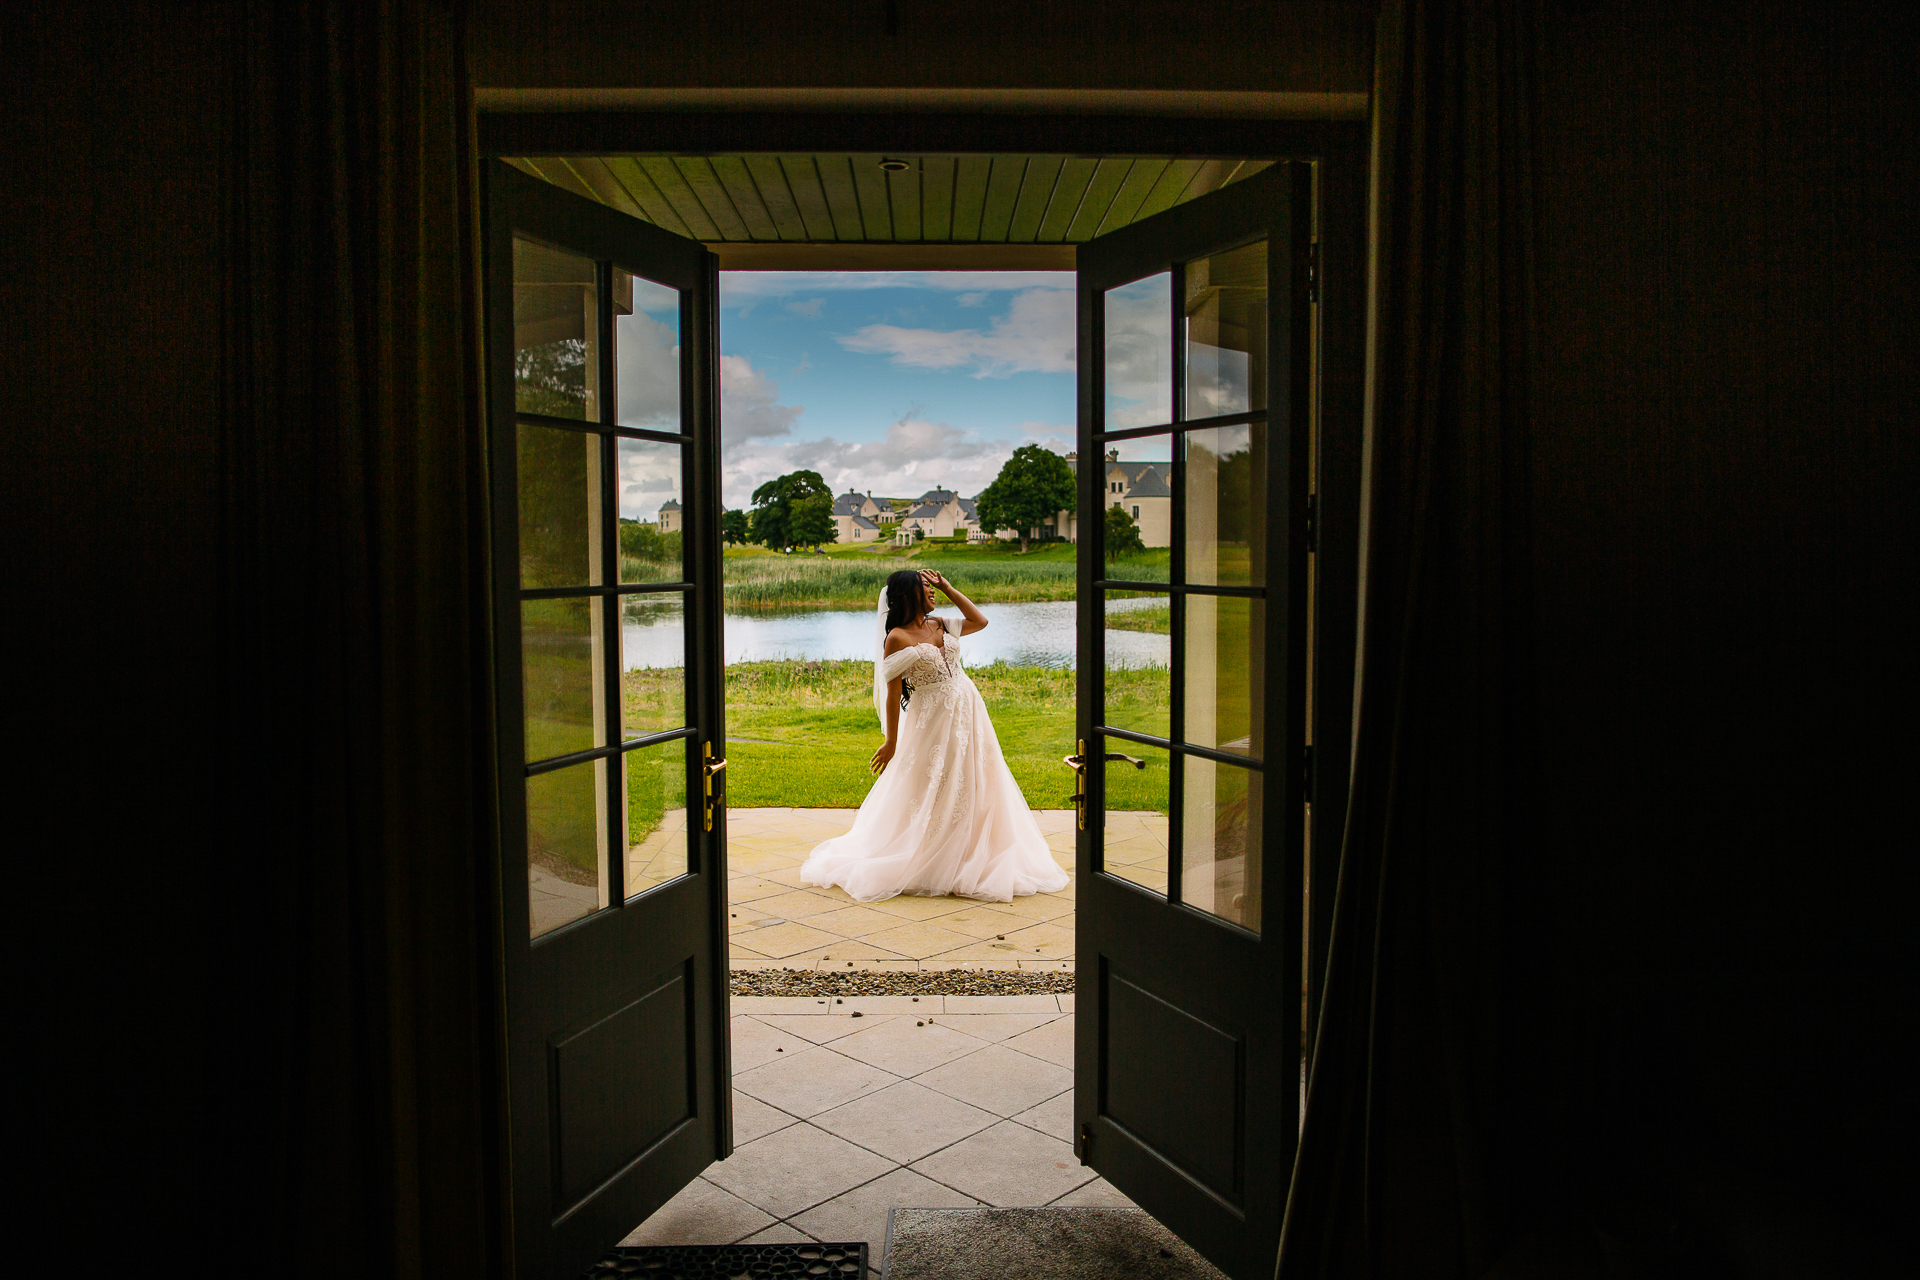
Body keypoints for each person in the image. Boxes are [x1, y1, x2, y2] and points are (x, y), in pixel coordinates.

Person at [800, 568, 1070, 903]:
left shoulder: (941, 623)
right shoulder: (897, 637)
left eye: (933, 588)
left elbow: (980, 620)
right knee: (937, 783)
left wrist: (949, 587)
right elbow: (891, 692)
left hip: (969, 710)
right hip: (931, 720)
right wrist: (891, 742)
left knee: (976, 778)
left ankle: (973, 854)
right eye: (926, 588)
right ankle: (935, 857)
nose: (932, 593)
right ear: (907, 594)